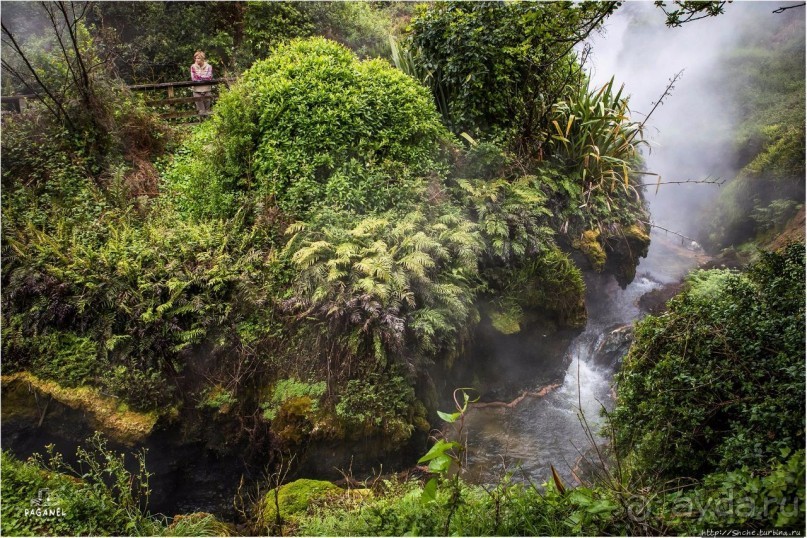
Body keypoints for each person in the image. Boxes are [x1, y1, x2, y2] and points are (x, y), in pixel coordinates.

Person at [190, 50, 213, 115]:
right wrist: (203, 77)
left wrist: (199, 77)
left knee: (207, 111)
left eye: (199, 58)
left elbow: (209, 77)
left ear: (203, 59)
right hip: (197, 91)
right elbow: (194, 78)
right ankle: (202, 124)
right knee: (201, 112)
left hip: (207, 90)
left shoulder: (209, 67)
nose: (197, 60)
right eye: (196, 58)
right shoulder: (193, 67)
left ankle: (208, 124)